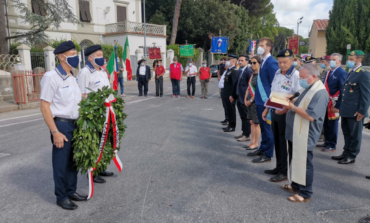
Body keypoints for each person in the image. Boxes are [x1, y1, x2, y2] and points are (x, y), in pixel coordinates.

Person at [40, 41, 87, 210]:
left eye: (76, 53)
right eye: (72, 53)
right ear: (61, 56)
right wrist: (55, 132)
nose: (75, 56)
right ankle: (61, 196)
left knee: (73, 162)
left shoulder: (72, 77)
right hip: (61, 125)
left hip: (76, 124)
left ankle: (71, 190)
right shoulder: (51, 77)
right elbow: (45, 106)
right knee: (60, 163)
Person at [281, 64, 329, 203]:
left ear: (313, 76)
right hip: (295, 131)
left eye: (302, 77)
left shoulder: (320, 93)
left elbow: (311, 116)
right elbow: (300, 101)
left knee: (304, 163)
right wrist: (292, 100)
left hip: (305, 133)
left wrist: (292, 107)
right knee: (295, 160)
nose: (300, 80)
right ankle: (296, 185)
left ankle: (305, 193)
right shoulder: (307, 87)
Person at [76, 45, 114, 184]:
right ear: (90, 57)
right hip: (93, 114)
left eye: (102, 55)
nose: (101, 58)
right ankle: (94, 171)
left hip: (106, 111)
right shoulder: (85, 72)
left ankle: (102, 166)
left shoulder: (102, 71)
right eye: (98, 55)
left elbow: (107, 91)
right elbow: (82, 95)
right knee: (95, 143)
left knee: (104, 140)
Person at [262, 49, 301, 182]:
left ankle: (285, 171)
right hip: (274, 111)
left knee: (285, 144)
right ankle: (279, 167)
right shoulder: (278, 73)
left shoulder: (296, 75)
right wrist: (266, 109)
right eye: (280, 62)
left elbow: (298, 95)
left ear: (292, 61)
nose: (282, 65)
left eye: (285, 62)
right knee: (277, 142)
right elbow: (273, 93)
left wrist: (285, 109)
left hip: (287, 114)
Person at [332, 50, 370, 164]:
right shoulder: (352, 72)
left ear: (359, 60)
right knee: (347, 133)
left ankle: (352, 155)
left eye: (352, 59)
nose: (349, 61)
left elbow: (366, 94)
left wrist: (362, 111)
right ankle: (346, 153)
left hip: (355, 111)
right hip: (346, 110)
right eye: (349, 59)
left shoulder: (363, 73)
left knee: (355, 135)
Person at [247, 37, 279, 164]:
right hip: (260, 100)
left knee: (267, 129)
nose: (259, 47)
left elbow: (274, 84)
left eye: (262, 45)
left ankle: (268, 154)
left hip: (267, 101)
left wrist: (270, 102)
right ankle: (262, 148)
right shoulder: (264, 61)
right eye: (259, 44)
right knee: (263, 127)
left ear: (268, 48)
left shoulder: (271, 62)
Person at [316, 53, 347, 152]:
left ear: (339, 61)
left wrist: (338, 106)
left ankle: (332, 144)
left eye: (334, 60)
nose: (331, 61)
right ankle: (327, 141)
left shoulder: (341, 73)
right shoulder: (329, 72)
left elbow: (343, 90)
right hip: (326, 101)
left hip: (334, 102)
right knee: (326, 123)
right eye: (331, 60)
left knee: (332, 124)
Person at [233, 54, 253, 142]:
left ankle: (247, 134)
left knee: (246, 117)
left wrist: (248, 99)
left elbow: (250, 86)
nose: (240, 62)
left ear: (247, 61)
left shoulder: (248, 71)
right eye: (239, 60)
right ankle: (244, 132)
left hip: (245, 98)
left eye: (242, 60)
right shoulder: (241, 70)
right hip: (239, 97)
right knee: (242, 117)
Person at [244, 56, 261, 150]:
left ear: (259, 63)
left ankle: (256, 143)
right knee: (251, 122)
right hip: (249, 102)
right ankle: (252, 141)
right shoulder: (252, 75)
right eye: (252, 63)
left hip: (255, 102)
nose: (252, 65)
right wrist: (245, 99)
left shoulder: (260, 75)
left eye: (255, 63)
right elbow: (248, 88)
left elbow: (258, 90)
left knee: (256, 123)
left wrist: (250, 100)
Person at [222, 55, 239, 132]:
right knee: (228, 109)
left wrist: (232, 95)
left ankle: (232, 126)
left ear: (233, 61)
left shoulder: (234, 70)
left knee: (231, 110)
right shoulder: (229, 70)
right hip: (226, 93)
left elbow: (234, 84)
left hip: (230, 95)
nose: (227, 61)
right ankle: (229, 124)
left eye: (229, 60)